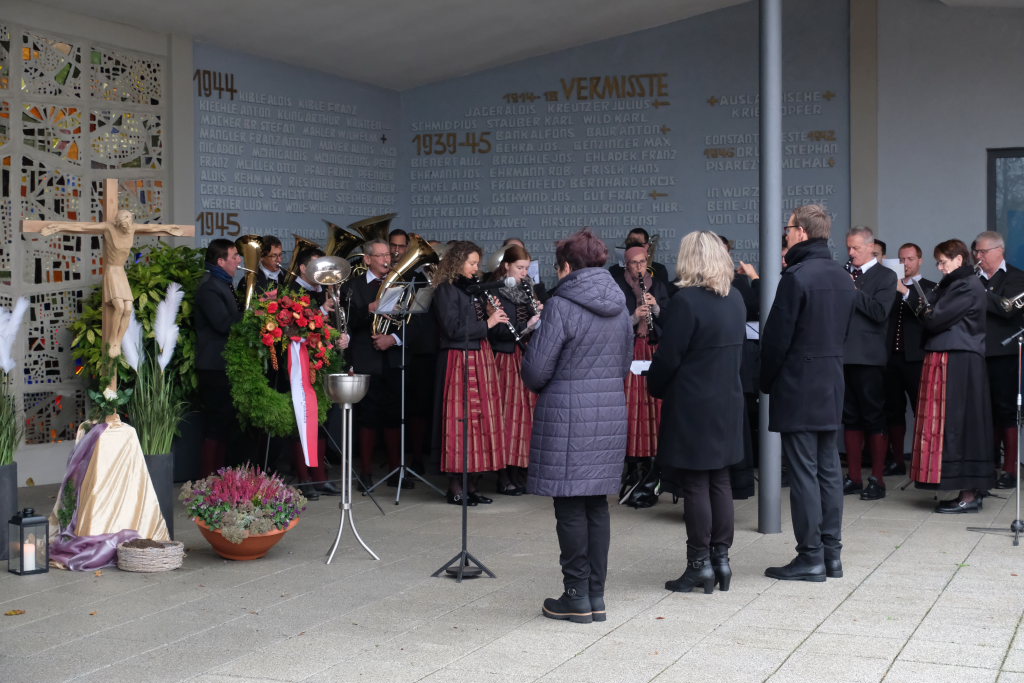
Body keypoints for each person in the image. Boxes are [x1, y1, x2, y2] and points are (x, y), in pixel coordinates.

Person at [521, 228, 632, 624]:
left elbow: (535, 372)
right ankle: (595, 596)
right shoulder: (620, 305)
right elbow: (622, 365)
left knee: (569, 505)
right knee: (597, 505)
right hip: (608, 413)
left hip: (567, 415)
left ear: (567, 267)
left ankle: (575, 595)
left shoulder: (560, 305)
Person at [761, 204, 855, 582]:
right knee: (829, 469)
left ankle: (810, 556)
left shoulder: (796, 277)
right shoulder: (842, 276)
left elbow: (776, 339)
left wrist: (764, 381)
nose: (785, 234)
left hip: (799, 382)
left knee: (803, 473)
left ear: (801, 232)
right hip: (830, 380)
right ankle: (832, 555)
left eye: (788, 229)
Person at [649, 231, 746, 594]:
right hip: (727, 400)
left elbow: (668, 358)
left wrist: (655, 385)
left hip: (693, 403)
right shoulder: (735, 298)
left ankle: (698, 564)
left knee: (695, 483)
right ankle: (721, 560)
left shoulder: (686, 301)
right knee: (720, 480)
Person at [911, 239, 994, 511]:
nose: (940, 267)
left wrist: (923, 307)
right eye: (938, 262)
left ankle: (969, 494)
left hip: (959, 360)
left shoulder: (965, 285)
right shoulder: (957, 284)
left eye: (943, 262)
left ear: (959, 259)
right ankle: (968, 490)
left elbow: (935, 319)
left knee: (960, 423)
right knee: (957, 423)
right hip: (957, 357)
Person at [432, 241, 508, 504]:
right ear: (457, 262)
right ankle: (455, 488)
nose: (476, 268)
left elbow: (485, 325)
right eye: (472, 263)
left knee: (481, 419)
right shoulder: (446, 289)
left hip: (481, 355)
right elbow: (452, 329)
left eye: (477, 263)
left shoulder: (475, 289)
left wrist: (492, 315)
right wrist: (487, 322)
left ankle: (473, 485)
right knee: (460, 420)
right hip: (459, 358)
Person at [340, 239, 404, 489]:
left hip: (393, 358)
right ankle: (365, 472)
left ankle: (396, 471)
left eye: (388, 255)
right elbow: (345, 322)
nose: (387, 259)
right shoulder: (353, 286)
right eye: (381, 256)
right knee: (367, 416)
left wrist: (393, 338)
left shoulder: (400, 283)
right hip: (366, 358)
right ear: (367, 259)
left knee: (393, 415)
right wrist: (370, 308)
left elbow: (411, 320)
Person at [611, 245, 670, 507]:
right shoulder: (617, 287)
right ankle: (633, 465)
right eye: (634, 263)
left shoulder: (658, 286)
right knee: (631, 406)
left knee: (654, 405)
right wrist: (634, 316)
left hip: (653, 349)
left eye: (643, 262)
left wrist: (656, 309)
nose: (639, 267)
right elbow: (612, 324)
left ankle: (655, 467)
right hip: (630, 351)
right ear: (626, 264)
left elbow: (671, 319)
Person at [842, 226, 897, 500]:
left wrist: (852, 290)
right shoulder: (844, 273)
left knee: (873, 417)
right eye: (848, 248)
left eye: (855, 248)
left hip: (868, 358)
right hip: (842, 356)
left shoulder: (885, 276)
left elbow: (879, 312)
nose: (850, 253)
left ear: (870, 247)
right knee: (849, 418)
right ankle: (853, 477)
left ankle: (877, 478)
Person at [487, 244, 542, 495]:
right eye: (520, 267)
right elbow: (497, 330)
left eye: (527, 268)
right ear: (506, 265)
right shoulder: (494, 290)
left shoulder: (528, 287)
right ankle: (504, 473)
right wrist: (526, 325)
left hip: (525, 356)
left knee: (526, 417)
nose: (524, 273)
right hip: (506, 357)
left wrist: (538, 314)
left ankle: (521, 470)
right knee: (507, 418)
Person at [974, 231, 1024, 489]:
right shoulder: (975, 278)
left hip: (1004, 355)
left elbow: (1008, 309)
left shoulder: (1017, 277)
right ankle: (988, 465)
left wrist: (976, 291)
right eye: (976, 252)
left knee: (1006, 411)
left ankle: (1010, 469)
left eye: (983, 252)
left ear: (999, 251)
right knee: (983, 411)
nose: (978, 256)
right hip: (975, 352)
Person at [194, 239, 244, 476]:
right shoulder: (210, 288)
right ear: (221, 261)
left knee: (225, 424)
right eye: (234, 256)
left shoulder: (223, 284)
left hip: (224, 364)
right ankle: (208, 478)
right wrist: (250, 311)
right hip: (214, 366)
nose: (239, 260)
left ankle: (221, 478)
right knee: (216, 424)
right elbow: (223, 324)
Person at [885, 243, 935, 475]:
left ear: (920, 260)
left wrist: (905, 292)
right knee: (893, 410)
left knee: (920, 409)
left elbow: (929, 318)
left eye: (910, 259)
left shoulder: (930, 287)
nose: (905, 264)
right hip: (890, 358)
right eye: (902, 259)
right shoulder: (889, 287)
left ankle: (923, 460)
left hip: (916, 359)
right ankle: (897, 460)